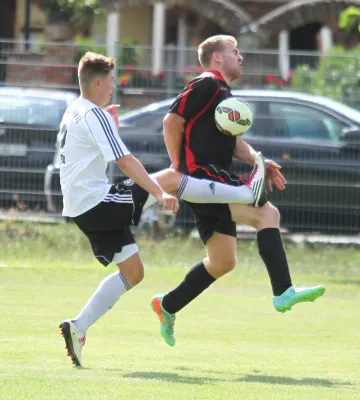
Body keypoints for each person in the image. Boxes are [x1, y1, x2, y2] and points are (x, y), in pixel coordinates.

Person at [58, 51, 267, 368]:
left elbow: (88, 153)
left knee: (133, 272)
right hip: (96, 202)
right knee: (171, 177)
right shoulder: (93, 114)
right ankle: (247, 190)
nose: (115, 86)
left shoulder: (75, 111)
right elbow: (125, 162)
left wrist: (111, 125)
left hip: (81, 206)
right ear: (98, 82)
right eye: (112, 80)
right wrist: (157, 192)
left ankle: (78, 327)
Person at [150, 35, 325, 347]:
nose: (241, 57)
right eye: (235, 51)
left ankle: (168, 305)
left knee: (222, 261)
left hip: (212, 179)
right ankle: (283, 291)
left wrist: (260, 160)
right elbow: (170, 120)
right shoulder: (207, 84)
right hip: (204, 179)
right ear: (217, 58)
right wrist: (178, 167)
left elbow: (233, 142)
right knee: (267, 213)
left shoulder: (223, 92)